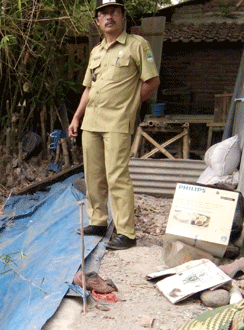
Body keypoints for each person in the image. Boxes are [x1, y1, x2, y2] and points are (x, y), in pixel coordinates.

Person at [68, 0, 160, 250]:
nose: (108, 17)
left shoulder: (137, 45)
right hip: (92, 122)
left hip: (118, 122)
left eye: (113, 12)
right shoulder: (96, 51)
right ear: (97, 21)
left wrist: (130, 104)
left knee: (117, 175)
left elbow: (151, 81)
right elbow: (89, 87)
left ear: (122, 16)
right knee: (94, 175)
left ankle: (126, 233)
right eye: (103, 14)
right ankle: (98, 221)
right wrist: (77, 117)